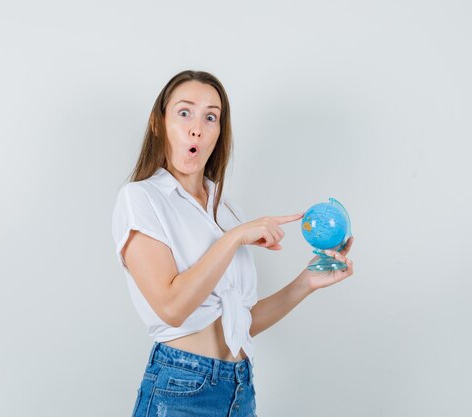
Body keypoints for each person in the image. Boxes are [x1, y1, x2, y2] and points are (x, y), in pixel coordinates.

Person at [111, 70, 354, 417]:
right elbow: (171, 307)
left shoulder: (226, 210)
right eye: (184, 112)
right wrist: (235, 237)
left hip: (239, 387)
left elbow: (239, 321)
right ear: (157, 123)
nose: (197, 127)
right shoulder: (141, 198)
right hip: (181, 387)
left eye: (211, 117)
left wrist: (307, 282)